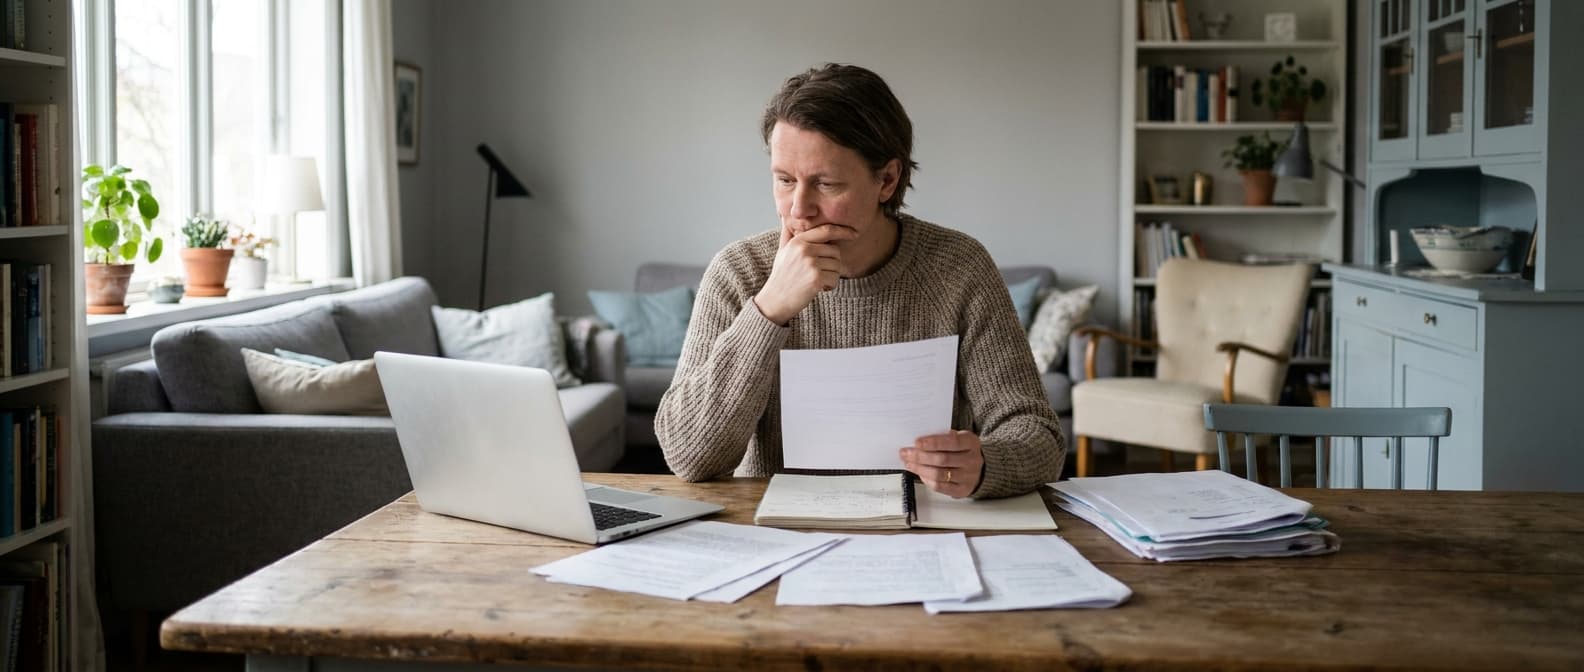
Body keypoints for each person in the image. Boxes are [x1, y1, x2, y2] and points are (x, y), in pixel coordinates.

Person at [654, 63, 1064, 498]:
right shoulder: (739, 272)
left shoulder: (959, 267)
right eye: (785, 180)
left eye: (825, 184)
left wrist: (985, 464)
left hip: (922, 527)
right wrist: (769, 309)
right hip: (776, 533)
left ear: (887, 180)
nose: (799, 209)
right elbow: (689, 456)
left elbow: (1038, 436)